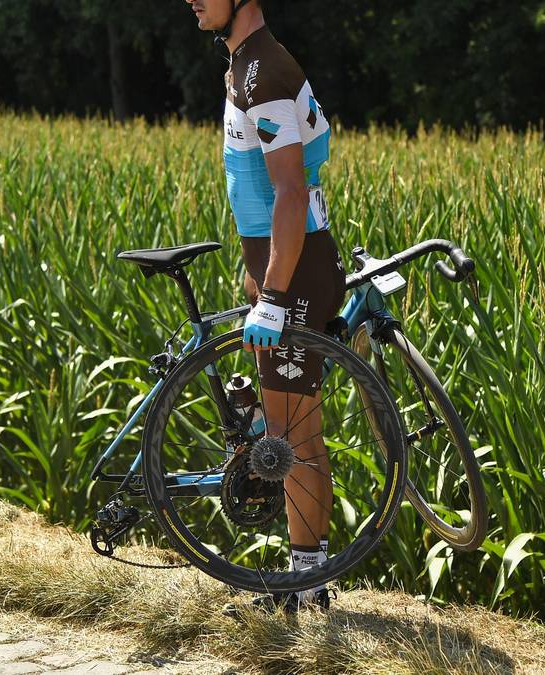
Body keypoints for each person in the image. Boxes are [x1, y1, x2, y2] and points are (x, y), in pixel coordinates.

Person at [186, 0, 346, 610]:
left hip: (296, 273)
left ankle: (306, 585)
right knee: (277, 424)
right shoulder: (243, 65)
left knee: (294, 436)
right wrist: (260, 278)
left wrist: (276, 294)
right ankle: (304, 575)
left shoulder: (265, 72)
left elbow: (289, 191)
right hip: (280, 263)